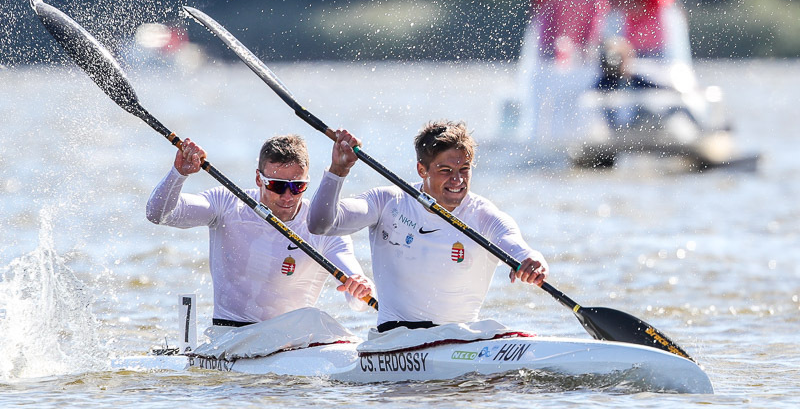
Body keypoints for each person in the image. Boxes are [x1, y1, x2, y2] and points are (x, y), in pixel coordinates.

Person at [307, 121, 548, 333]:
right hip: (396, 338)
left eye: (464, 169)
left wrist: (532, 261)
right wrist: (339, 170)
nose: (458, 180)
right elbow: (320, 225)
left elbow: (516, 244)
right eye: (446, 171)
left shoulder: (484, 215)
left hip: (461, 339)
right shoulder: (387, 202)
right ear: (422, 170)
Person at [146, 134, 374, 327]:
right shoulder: (226, 203)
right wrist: (179, 173)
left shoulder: (322, 225)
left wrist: (361, 287)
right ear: (258, 178)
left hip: (292, 340)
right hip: (232, 336)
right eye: (277, 185)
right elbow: (159, 214)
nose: (287, 196)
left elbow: (358, 299)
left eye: (298, 187)